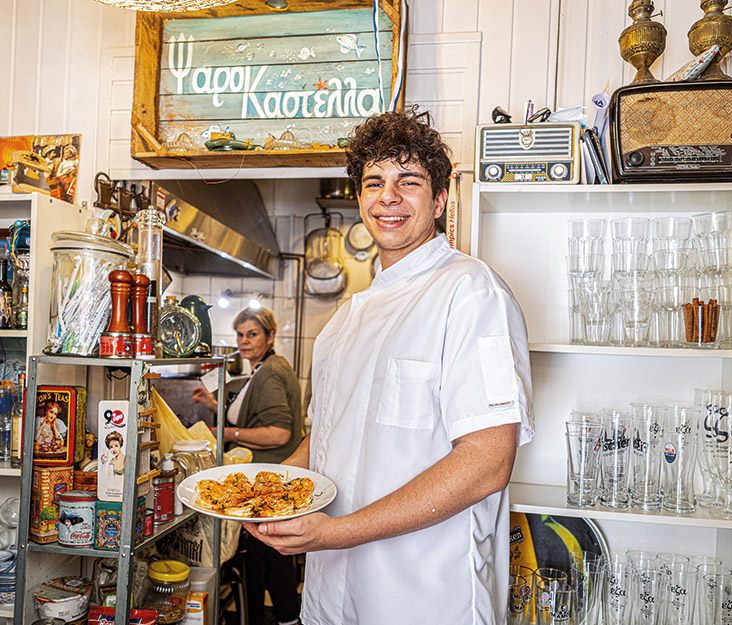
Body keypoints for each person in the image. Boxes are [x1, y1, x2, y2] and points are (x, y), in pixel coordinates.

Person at [243, 108, 534, 625]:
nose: (389, 197)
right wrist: (266, 492)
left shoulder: (470, 292)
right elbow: (331, 433)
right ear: (360, 198)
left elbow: (488, 462)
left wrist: (336, 531)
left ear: (440, 199)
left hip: (424, 597)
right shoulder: (344, 320)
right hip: (332, 593)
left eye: (409, 181)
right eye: (374, 181)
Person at [192, 307, 304, 625]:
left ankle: (259, 619)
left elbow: (278, 432)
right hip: (267, 476)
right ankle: (286, 616)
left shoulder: (269, 372)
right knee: (273, 553)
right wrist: (214, 405)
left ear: (270, 337)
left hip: (266, 479)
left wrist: (226, 434)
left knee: (259, 556)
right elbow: (252, 414)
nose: (243, 341)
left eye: (252, 334)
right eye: (240, 334)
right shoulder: (263, 368)